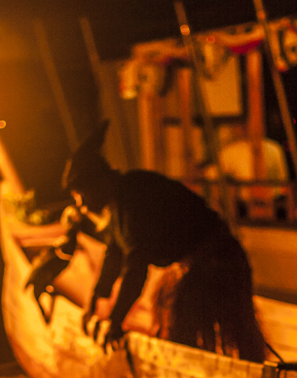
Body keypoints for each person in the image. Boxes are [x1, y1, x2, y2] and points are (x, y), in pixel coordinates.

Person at [62, 121, 267, 362]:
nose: (80, 205)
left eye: (80, 195)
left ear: (100, 182)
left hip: (217, 263)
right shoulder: (118, 204)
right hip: (197, 266)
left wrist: (115, 322)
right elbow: (115, 253)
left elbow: (135, 269)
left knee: (185, 328)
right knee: (176, 318)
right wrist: (94, 300)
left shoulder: (131, 198)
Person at [212, 123, 289, 220]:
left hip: (268, 203)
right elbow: (212, 176)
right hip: (245, 205)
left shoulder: (273, 149)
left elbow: (282, 181)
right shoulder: (229, 151)